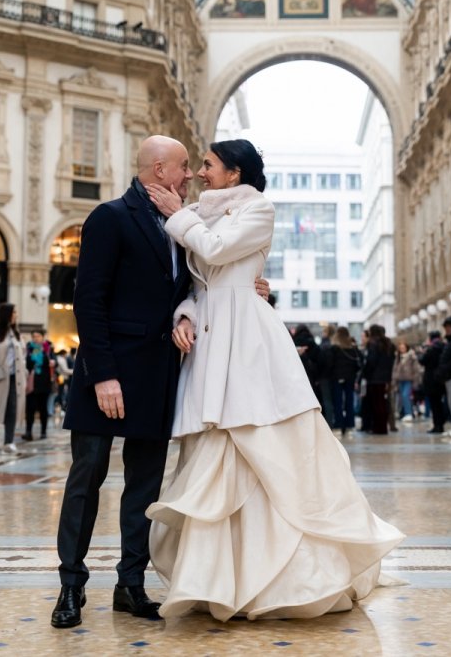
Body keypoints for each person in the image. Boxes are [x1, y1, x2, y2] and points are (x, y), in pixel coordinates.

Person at [146, 139, 404, 621]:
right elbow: (197, 285)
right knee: (214, 452)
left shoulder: (257, 208)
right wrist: (183, 315)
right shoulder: (198, 214)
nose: (201, 173)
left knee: (262, 441)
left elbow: (218, 252)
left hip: (248, 342)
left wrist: (179, 216)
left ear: (235, 174)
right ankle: (215, 580)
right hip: (210, 341)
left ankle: (286, 578)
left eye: (208, 165)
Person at [50, 135, 270, 630]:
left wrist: (249, 286)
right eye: (184, 166)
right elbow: (89, 300)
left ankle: (130, 584)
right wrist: (103, 375)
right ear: (158, 168)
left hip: (157, 373)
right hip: (106, 374)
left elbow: (198, 281)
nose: (191, 174)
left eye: (197, 166)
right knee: (86, 478)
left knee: (144, 486)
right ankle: (71, 585)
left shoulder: (180, 221)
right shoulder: (110, 216)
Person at [0, 304, 26, 455]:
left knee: (12, 410)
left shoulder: (15, 333)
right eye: (14, 312)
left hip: (15, 379)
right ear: (6, 313)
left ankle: (9, 441)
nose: (16, 315)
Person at [362, 324, 397, 434]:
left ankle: (378, 428)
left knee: (375, 404)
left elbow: (371, 361)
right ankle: (383, 427)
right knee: (383, 403)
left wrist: (366, 373)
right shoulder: (389, 344)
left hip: (374, 379)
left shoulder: (373, 344)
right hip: (385, 379)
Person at [329, 325, 361, 435]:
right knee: (349, 401)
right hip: (350, 378)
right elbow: (359, 363)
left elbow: (330, 363)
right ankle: (349, 426)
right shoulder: (352, 347)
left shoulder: (334, 348)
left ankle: (338, 425)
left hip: (337, 378)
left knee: (338, 402)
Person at [23, 329, 53, 440]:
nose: (36, 338)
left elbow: (53, 362)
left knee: (43, 409)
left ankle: (43, 431)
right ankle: (28, 432)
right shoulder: (28, 349)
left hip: (44, 383)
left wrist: (52, 362)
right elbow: (26, 363)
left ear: (43, 337)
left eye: (38, 336)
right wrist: (34, 355)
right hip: (31, 382)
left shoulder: (48, 348)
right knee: (30, 409)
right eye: (34, 336)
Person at [419, 330, 446, 434]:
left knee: (434, 404)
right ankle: (441, 424)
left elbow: (422, 360)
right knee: (440, 403)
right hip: (441, 378)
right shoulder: (444, 347)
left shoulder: (431, 348)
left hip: (431, 379)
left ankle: (437, 425)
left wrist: (423, 352)